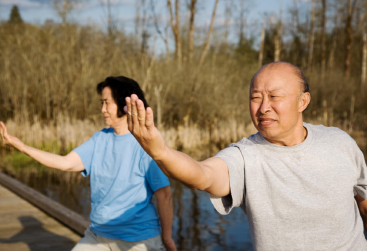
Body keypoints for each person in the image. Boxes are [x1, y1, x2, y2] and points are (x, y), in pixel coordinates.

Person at [125, 62, 367, 250]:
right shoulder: (244, 157)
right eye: (255, 97)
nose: (263, 108)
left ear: (302, 101)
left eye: (274, 96)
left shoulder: (340, 142)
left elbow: (362, 199)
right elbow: (202, 175)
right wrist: (160, 152)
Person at [0, 76, 177, 251]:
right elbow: (65, 162)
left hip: (139, 240)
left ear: (124, 103)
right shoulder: (99, 139)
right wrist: (22, 147)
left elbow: (164, 195)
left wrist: (167, 238)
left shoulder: (146, 145)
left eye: (107, 103)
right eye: (102, 103)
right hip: (98, 236)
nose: (102, 109)